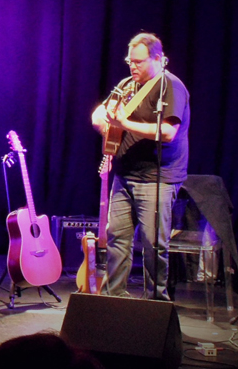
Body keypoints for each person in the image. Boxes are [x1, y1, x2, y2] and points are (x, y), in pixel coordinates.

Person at [90, 32, 189, 300]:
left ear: (157, 58)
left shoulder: (171, 86)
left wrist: (124, 124)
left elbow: (168, 132)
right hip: (125, 176)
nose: (132, 66)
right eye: (130, 61)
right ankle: (114, 300)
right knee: (117, 239)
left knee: (153, 244)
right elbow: (101, 112)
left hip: (157, 177)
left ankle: (155, 305)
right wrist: (102, 121)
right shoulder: (126, 85)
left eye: (138, 62)